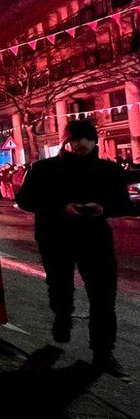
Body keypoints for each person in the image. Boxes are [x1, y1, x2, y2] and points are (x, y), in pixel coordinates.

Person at [16, 120, 131, 373]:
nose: (79, 144)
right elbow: (24, 199)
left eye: (85, 139)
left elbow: (123, 203)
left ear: (95, 141)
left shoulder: (108, 170)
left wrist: (102, 209)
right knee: (59, 284)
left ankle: (103, 352)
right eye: (73, 139)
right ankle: (62, 315)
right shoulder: (43, 169)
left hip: (95, 238)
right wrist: (60, 207)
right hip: (55, 237)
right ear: (65, 142)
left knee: (103, 296)